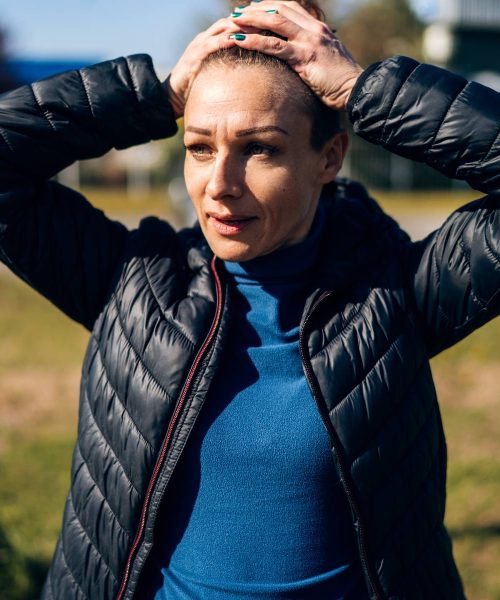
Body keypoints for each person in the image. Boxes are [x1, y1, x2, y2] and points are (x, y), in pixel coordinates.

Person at [0, 0, 498, 598]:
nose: (219, 185)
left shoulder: (397, 294)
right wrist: (154, 96)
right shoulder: (131, 283)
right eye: (200, 147)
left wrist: (363, 90)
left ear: (329, 158)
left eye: (259, 148)